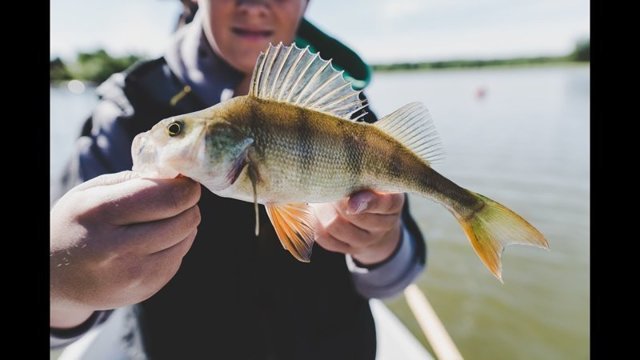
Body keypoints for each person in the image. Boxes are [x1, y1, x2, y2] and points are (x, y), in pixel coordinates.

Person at [51, 1, 427, 358]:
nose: (255, 5)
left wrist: (380, 245)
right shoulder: (124, 113)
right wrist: (63, 280)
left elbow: (393, 281)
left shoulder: (346, 112)